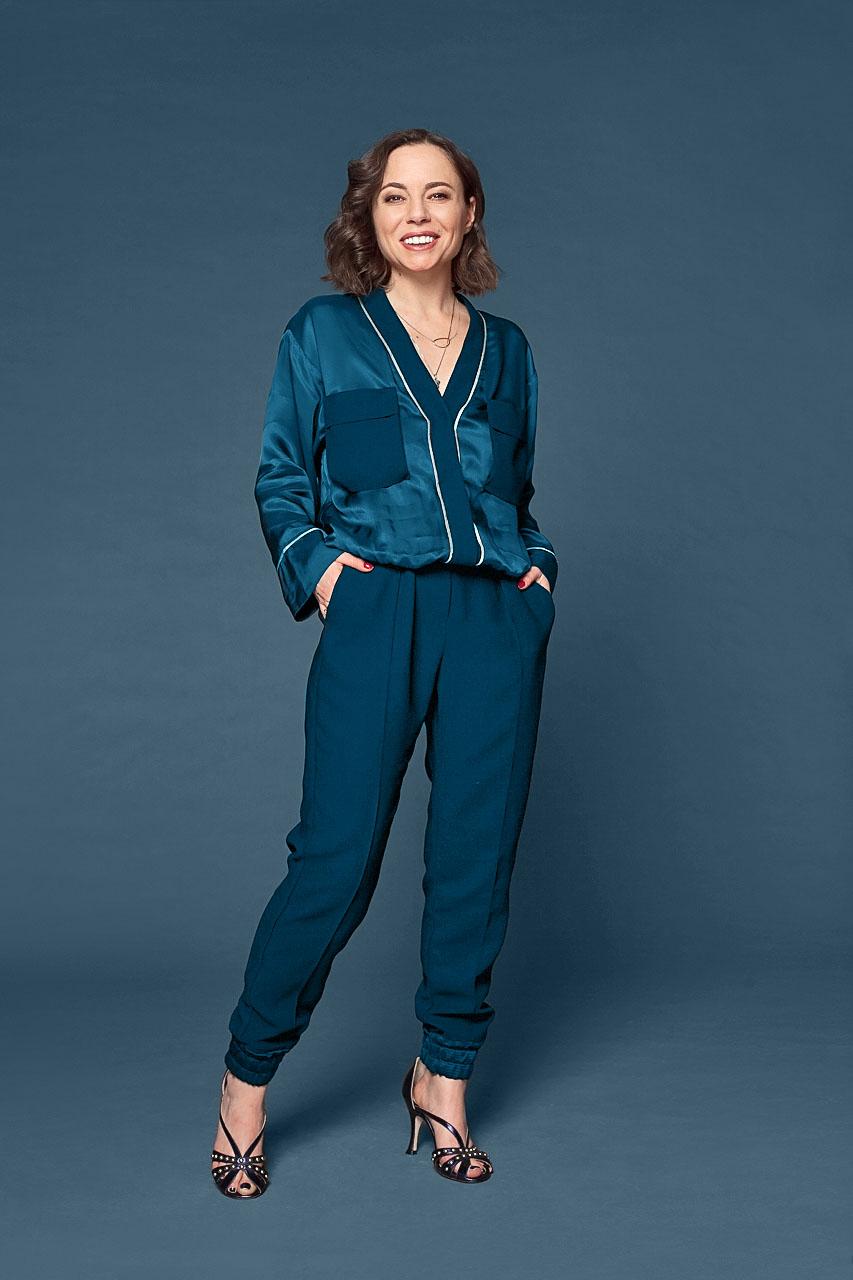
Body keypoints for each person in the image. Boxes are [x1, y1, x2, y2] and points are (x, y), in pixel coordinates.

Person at [210, 127, 558, 1197]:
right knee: (336, 857)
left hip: (491, 617)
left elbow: (516, 492)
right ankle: (244, 1082)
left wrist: (536, 572)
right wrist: (323, 572)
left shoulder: (507, 349)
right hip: (377, 612)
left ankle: (443, 1077)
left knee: (475, 854)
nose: (417, 214)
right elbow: (281, 476)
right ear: (368, 216)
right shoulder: (324, 332)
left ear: (467, 215)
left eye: (438, 195)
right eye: (395, 196)